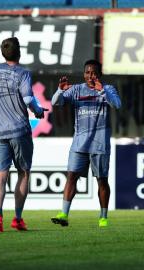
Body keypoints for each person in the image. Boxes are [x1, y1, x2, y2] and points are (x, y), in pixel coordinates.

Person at [0, 37, 46, 233]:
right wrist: (39, 110)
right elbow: (27, 98)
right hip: (19, 130)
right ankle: (17, 218)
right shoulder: (23, 73)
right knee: (23, 173)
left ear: (2, 53)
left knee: (0, 175)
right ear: (19, 53)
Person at [50, 60, 121, 228]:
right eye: (88, 72)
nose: (91, 76)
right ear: (84, 74)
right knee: (71, 177)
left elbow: (117, 105)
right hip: (79, 143)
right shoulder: (76, 90)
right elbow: (54, 102)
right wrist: (60, 90)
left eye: (94, 73)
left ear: (99, 75)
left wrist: (102, 91)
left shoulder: (108, 89)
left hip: (100, 143)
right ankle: (64, 214)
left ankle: (103, 217)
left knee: (102, 181)